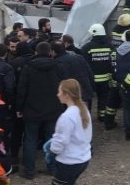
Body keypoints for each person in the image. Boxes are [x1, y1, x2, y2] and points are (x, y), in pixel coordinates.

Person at [16, 42, 66, 180]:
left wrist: (19, 108)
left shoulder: (28, 68)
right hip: (54, 108)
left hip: (32, 109)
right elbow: (64, 86)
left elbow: (22, 89)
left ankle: (29, 171)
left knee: (30, 140)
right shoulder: (59, 66)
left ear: (36, 52)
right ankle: (52, 168)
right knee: (51, 138)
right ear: (50, 51)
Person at [49, 79, 92, 185]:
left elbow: (60, 142)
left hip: (69, 162)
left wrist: (52, 151)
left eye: (59, 92)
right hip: (83, 158)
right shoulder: (84, 110)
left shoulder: (66, 117)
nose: (57, 95)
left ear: (66, 94)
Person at [80, 23, 115, 125]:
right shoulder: (110, 46)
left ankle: (87, 117)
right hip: (106, 79)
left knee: (89, 98)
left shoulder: (87, 47)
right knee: (103, 97)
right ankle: (102, 116)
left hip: (91, 79)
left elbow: (84, 64)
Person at [51, 42, 95, 108]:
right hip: (85, 94)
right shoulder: (79, 57)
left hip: (69, 98)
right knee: (84, 115)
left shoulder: (56, 64)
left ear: (53, 51)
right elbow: (90, 74)